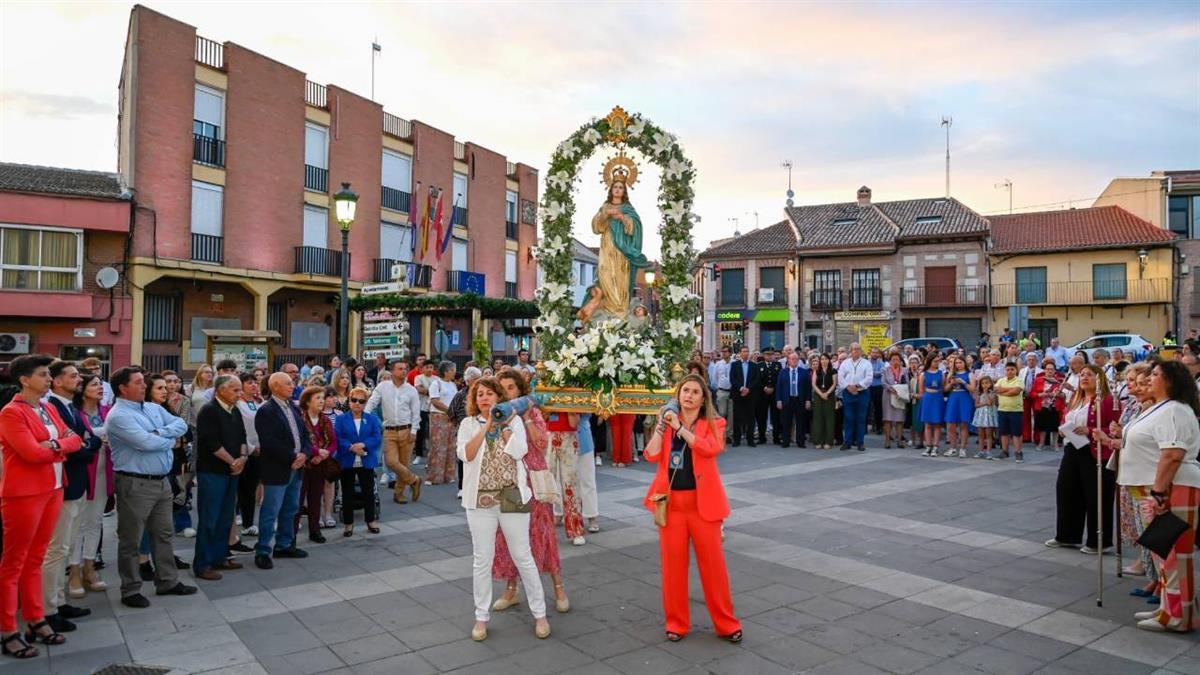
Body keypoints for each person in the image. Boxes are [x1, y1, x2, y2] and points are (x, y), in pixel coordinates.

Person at [643, 374, 742, 643]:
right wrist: (663, 428)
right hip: (672, 505)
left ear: (703, 398)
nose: (688, 395)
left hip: (703, 507)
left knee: (714, 569)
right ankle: (675, 623)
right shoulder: (666, 422)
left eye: (694, 392)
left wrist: (680, 429)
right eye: (684, 390)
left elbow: (711, 448)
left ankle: (726, 624)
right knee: (673, 568)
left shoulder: (714, 423)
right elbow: (650, 455)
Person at [0, 354, 83, 658]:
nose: (49, 379)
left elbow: (75, 438)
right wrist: (58, 447)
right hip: (24, 495)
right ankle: (8, 628)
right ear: (24, 379)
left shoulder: (48, 408)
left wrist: (55, 446)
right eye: (43, 374)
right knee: (14, 563)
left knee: (35, 558)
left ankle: (36, 618)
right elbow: (30, 454)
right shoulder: (11, 413)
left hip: (52, 488)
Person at [456, 376, 550, 642]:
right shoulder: (467, 424)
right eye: (479, 395)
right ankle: (480, 618)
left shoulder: (515, 420)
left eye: (489, 393)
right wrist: (487, 426)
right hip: (480, 501)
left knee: (523, 555)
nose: (484, 398)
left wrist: (506, 425)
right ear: (474, 401)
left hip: (512, 496)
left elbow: (520, 451)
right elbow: (467, 454)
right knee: (481, 560)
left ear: (499, 397)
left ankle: (540, 614)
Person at [1109, 361, 1200, 632]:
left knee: (1174, 554)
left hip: (1173, 488)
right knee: (1165, 555)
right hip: (1156, 488)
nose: (1150, 379)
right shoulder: (1160, 408)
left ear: (1171, 381)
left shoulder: (1174, 410)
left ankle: (1178, 617)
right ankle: (1169, 609)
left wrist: (1159, 491)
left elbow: (1172, 454)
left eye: (1157, 375)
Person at [105, 366, 195, 608]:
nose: (144, 386)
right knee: (131, 540)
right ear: (123, 388)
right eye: (138, 382)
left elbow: (181, 425)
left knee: (164, 533)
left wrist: (158, 433)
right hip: (135, 482)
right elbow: (145, 443)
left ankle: (167, 580)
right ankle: (131, 588)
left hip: (161, 481)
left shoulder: (153, 408)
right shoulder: (119, 416)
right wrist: (166, 439)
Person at [490, 371, 570, 617]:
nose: (507, 393)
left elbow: (540, 444)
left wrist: (525, 418)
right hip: (509, 481)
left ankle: (558, 589)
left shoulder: (532, 412)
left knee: (542, 533)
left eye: (511, 388)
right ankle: (511, 589)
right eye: (502, 389)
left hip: (533, 480)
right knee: (508, 535)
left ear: (521, 390)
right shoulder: (497, 415)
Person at [42, 360, 100, 632]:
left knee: (66, 545)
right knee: (56, 548)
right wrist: (82, 445)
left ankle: (59, 600)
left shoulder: (70, 407)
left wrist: (83, 444)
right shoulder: (51, 407)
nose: (79, 380)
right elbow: (76, 447)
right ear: (57, 381)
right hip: (63, 485)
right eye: (74, 376)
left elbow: (90, 439)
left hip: (77, 484)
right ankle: (48, 608)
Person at [1045, 365, 1117, 553]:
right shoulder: (1076, 398)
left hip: (1094, 451)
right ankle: (1067, 535)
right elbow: (1066, 418)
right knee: (1066, 490)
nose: (1084, 378)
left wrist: (1091, 430)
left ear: (1099, 378)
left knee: (1095, 495)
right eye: (1082, 375)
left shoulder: (1107, 400)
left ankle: (1098, 540)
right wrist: (1063, 428)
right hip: (1072, 448)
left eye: (1089, 375)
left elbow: (1116, 428)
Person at [253, 373, 312, 570]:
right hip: (278, 468)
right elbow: (269, 441)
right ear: (275, 386)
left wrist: (304, 453)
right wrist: (292, 457)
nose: (292, 386)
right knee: (271, 510)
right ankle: (263, 550)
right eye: (288, 383)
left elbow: (304, 434)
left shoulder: (293, 407)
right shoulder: (266, 410)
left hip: (296, 467)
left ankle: (284, 544)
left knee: (291, 507)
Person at [192, 374, 247, 581]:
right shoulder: (209, 410)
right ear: (221, 390)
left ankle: (220, 556)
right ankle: (203, 564)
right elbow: (211, 442)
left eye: (240, 389)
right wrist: (232, 461)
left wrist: (242, 457)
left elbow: (242, 436)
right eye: (235, 390)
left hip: (232, 471)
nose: (239, 393)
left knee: (226, 517)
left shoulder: (235, 410)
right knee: (209, 518)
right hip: (213, 471)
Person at [70, 374, 112, 596]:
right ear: (82, 389)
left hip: (104, 473)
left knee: (95, 522)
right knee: (78, 524)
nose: (100, 388)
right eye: (94, 384)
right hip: (83, 474)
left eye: (100, 384)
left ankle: (90, 568)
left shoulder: (107, 412)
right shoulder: (75, 414)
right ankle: (74, 571)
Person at [364, 360, 422, 504]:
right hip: (389, 431)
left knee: (404, 463)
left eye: (405, 368)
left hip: (406, 430)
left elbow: (416, 412)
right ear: (392, 371)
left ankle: (398, 494)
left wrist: (414, 430)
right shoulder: (383, 387)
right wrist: (364, 415)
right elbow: (372, 401)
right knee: (391, 462)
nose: (404, 371)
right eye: (400, 368)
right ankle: (414, 480)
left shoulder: (411, 389)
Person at [334, 387, 382, 536]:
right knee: (347, 493)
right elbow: (338, 437)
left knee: (369, 492)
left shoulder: (372, 418)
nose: (357, 403)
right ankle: (348, 524)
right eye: (354, 400)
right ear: (349, 401)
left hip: (366, 459)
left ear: (365, 403)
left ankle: (371, 521)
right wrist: (351, 447)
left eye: (361, 401)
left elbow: (377, 437)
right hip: (347, 459)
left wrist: (363, 445)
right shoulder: (341, 418)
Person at [297, 386, 335, 545]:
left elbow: (333, 441)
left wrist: (324, 453)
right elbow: (299, 440)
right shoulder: (299, 418)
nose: (321, 401)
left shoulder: (325, 419)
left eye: (322, 397)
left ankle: (315, 530)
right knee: (298, 499)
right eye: (317, 398)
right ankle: (291, 531)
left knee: (315, 497)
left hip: (321, 464)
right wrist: (315, 452)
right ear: (307, 401)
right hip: (303, 463)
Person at [234, 372, 263, 543]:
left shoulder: (257, 403)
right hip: (244, 450)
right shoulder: (238, 404)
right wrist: (251, 448)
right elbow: (239, 430)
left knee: (251, 488)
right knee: (242, 489)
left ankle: (249, 522)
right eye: (249, 382)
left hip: (260, 450)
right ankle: (243, 521)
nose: (253, 385)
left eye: (255, 382)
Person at [427, 361, 459, 485]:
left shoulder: (453, 385)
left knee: (451, 446)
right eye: (452, 370)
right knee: (438, 446)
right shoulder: (436, 383)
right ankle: (434, 476)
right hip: (438, 417)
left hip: (451, 418)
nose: (454, 372)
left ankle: (449, 475)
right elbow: (435, 401)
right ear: (445, 371)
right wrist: (449, 410)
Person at [837, 343, 872, 452]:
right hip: (848, 393)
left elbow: (869, 378)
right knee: (849, 418)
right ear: (850, 351)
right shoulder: (845, 363)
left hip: (862, 393)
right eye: (854, 349)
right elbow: (840, 377)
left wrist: (857, 386)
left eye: (858, 349)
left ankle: (860, 442)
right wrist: (848, 386)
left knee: (861, 418)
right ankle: (847, 442)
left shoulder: (866, 363)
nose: (856, 351)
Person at [775, 351, 810, 448]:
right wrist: (778, 400)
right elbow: (779, 387)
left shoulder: (804, 372)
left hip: (800, 399)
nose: (794, 361)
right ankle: (786, 441)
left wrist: (808, 400)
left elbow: (808, 387)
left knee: (801, 422)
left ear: (798, 360)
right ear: (788, 361)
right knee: (786, 422)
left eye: (796, 359)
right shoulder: (783, 372)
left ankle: (800, 441)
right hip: (787, 400)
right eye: (792, 359)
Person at [943, 356, 975, 458]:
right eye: (956, 363)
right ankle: (952, 448)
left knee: (963, 424)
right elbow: (945, 389)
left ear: (965, 363)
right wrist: (951, 383)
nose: (958, 365)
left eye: (960, 362)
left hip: (964, 399)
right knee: (951, 425)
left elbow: (973, 389)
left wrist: (963, 382)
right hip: (953, 398)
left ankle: (963, 448)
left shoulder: (970, 374)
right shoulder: (951, 374)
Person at [728, 345, 759, 447]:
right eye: (743, 351)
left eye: (747, 351)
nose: (745, 353)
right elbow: (732, 379)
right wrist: (741, 388)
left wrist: (748, 389)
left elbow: (756, 379)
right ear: (740, 353)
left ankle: (750, 440)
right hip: (738, 394)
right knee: (737, 417)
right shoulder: (734, 365)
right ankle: (737, 439)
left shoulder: (754, 365)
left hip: (750, 395)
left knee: (751, 417)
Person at [994, 361, 1025, 462]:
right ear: (1005, 371)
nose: (1010, 371)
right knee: (1003, 432)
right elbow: (996, 390)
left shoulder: (1019, 380)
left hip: (1016, 411)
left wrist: (1003, 391)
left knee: (1016, 433)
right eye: (1008, 370)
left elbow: (1016, 391)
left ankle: (1018, 452)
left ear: (1016, 370)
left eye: (1012, 369)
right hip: (1002, 410)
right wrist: (1009, 390)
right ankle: (1005, 452)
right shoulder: (1001, 380)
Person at [1033, 359, 1065, 452]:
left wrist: (1056, 394)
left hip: (1055, 406)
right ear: (1044, 370)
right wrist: (1040, 394)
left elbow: (1064, 395)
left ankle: (1055, 444)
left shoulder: (1059, 381)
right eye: (1047, 369)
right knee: (1042, 427)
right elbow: (1032, 393)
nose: (1049, 371)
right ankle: (1041, 443)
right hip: (1042, 406)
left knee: (1055, 427)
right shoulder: (1038, 380)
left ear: (1055, 370)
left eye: (1051, 369)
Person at [919, 353, 946, 456]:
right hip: (928, 398)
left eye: (938, 361)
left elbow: (943, 387)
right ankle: (928, 446)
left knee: (937, 424)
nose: (936, 363)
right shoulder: (923, 374)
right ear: (929, 361)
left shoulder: (941, 373)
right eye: (935, 361)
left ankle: (936, 446)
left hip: (937, 398)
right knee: (928, 424)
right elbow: (921, 390)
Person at [810, 353, 837, 449]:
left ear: (829, 360)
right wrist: (821, 394)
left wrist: (827, 393)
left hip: (829, 395)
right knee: (818, 417)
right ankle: (818, 440)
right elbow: (813, 384)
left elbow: (834, 384)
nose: (824, 361)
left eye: (826, 359)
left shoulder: (833, 371)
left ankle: (828, 441)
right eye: (822, 359)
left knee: (829, 418)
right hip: (818, 395)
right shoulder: (817, 371)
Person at [881, 352, 907, 449]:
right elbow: (883, 382)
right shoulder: (885, 370)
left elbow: (907, 382)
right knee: (888, 418)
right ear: (890, 361)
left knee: (899, 419)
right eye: (893, 359)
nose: (895, 361)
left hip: (900, 396)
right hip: (888, 395)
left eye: (897, 359)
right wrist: (890, 388)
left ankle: (899, 440)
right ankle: (887, 440)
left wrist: (900, 390)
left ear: (900, 361)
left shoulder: (904, 370)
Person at [756, 348, 781, 444]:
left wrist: (773, 388)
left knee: (776, 417)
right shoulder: (759, 366)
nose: (769, 356)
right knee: (762, 416)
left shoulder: (777, 365)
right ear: (763, 355)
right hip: (763, 394)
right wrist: (765, 388)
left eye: (771, 354)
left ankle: (776, 437)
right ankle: (762, 437)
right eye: (767, 354)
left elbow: (779, 379)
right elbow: (757, 380)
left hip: (774, 394)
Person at [709, 347, 733, 440]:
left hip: (732, 391)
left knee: (731, 414)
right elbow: (714, 378)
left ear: (730, 353)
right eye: (722, 351)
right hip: (722, 390)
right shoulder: (718, 364)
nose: (724, 353)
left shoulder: (734, 363)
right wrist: (717, 389)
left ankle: (728, 435)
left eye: (725, 351)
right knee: (722, 413)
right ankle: (720, 433)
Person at [972, 375, 998, 460]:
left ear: (991, 384)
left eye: (987, 383)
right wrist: (984, 404)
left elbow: (990, 403)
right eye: (983, 383)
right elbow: (976, 405)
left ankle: (989, 451)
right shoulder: (978, 393)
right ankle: (981, 451)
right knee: (980, 435)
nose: (985, 385)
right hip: (981, 415)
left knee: (989, 435)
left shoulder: (992, 393)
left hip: (989, 416)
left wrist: (986, 393)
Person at [867, 347, 885, 435]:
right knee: (866, 408)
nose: (874, 354)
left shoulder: (881, 363)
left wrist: (871, 373)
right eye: (873, 352)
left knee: (879, 408)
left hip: (878, 387)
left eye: (876, 353)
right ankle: (864, 428)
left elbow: (882, 373)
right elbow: (867, 373)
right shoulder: (866, 363)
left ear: (878, 354)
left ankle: (879, 427)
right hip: (868, 387)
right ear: (870, 353)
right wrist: (874, 373)